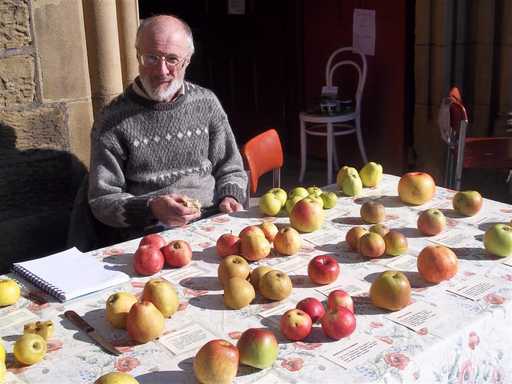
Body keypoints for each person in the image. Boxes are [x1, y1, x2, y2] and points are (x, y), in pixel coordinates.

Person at [87, 14, 247, 244]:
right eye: (151, 58)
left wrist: (230, 194)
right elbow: (102, 201)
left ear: (187, 61)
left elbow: (230, 168)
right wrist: (151, 207)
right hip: (150, 236)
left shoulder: (206, 103)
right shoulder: (111, 120)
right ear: (138, 55)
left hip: (213, 223)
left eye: (172, 59)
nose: (161, 70)